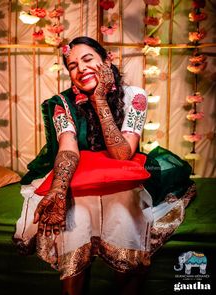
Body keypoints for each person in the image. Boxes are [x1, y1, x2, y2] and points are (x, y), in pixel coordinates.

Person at [13, 36, 196, 295]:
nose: (81, 69)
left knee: (125, 217)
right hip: (80, 179)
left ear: (107, 60)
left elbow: (123, 153)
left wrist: (99, 100)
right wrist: (58, 189)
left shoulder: (135, 97)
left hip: (122, 178)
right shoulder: (62, 104)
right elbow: (67, 146)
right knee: (74, 220)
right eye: (73, 65)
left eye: (88, 60)